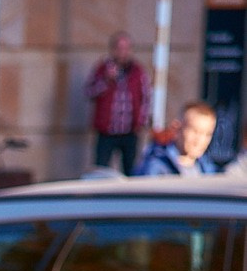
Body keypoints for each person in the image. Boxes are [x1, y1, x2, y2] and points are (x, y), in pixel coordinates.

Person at [85, 32, 151, 176]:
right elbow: (90, 92)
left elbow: (145, 97)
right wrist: (107, 80)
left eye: (126, 48)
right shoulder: (102, 69)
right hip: (107, 132)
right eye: (119, 48)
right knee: (100, 170)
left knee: (130, 171)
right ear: (112, 50)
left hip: (129, 132)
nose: (122, 52)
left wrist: (141, 122)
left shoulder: (138, 71)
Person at [135, 101, 219, 176]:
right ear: (177, 128)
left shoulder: (209, 170)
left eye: (207, 134)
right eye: (195, 131)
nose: (200, 140)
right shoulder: (155, 167)